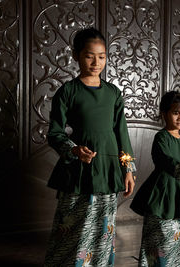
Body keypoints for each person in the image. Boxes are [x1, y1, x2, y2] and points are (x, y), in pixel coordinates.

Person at [44, 27, 136, 266]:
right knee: (71, 227)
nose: (97, 62)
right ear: (76, 55)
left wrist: (128, 169)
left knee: (103, 230)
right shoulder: (67, 92)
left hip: (107, 169)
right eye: (89, 55)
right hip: (78, 171)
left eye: (102, 56)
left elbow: (122, 134)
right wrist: (74, 150)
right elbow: (54, 133)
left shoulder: (114, 93)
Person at [130, 91, 180, 267]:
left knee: (176, 238)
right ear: (164, 114)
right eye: (175, 113)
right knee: (159, 238)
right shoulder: (161, 137)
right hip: (161, 196)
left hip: (178, 196)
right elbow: (163, 160)